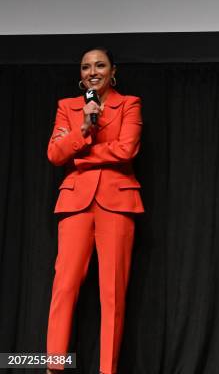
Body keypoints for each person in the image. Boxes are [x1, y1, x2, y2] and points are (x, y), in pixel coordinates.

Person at [46, 47, 144, 374]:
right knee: (64, 287)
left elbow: (127, 149)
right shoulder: (68, 107)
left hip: (117, 202)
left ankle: (107, 370)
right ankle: (54, 367)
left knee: (112, 293)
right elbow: (55, 154)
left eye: (100, 65)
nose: (93, 71)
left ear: (112, 70)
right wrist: (83, 128)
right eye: (86, 66)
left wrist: (82, 155)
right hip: (75, 202)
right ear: (80, 74)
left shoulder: (128, 104)